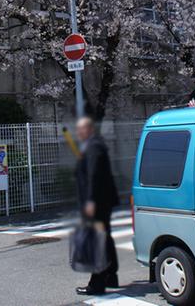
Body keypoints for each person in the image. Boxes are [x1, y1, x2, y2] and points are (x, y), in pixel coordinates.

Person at [74, 116, 119, 296]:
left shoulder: (93, 147)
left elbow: (93, 176)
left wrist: (90, 201)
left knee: (97, 242)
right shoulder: (96, 145)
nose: (78, 133)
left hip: (97, 202)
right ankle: (111, 275)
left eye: (81, 130)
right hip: (103, 201)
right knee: (105, 237)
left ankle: (97, 284)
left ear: (88, 130)